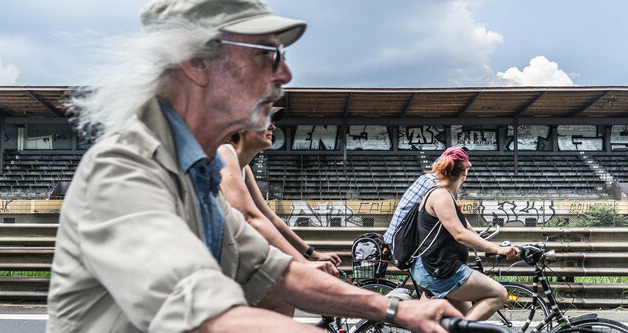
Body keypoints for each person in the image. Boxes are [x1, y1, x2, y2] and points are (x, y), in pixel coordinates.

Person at [47, 1, 463, 332]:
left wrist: (397, 310)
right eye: (269, 54)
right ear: (196, 62)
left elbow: (272, 271)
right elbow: (201, 311)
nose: (285, 72)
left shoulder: (196, 173)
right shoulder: (124, 172)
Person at [217, 108, 341, 273]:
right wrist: (303, 264)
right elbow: (248, 216)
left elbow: (270, 218)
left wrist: (312, 254)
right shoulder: (224, 153)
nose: (273, 127)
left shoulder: (244, 168)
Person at [409, 147, 520, 321]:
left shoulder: (444, 195)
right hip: (441, 271)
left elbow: (467, 229)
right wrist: (498, 250)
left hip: (434, 267)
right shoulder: (441, 196)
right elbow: (460, 234)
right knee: (498, 294)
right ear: (465, 172)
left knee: (461, 316)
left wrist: (491, 246)